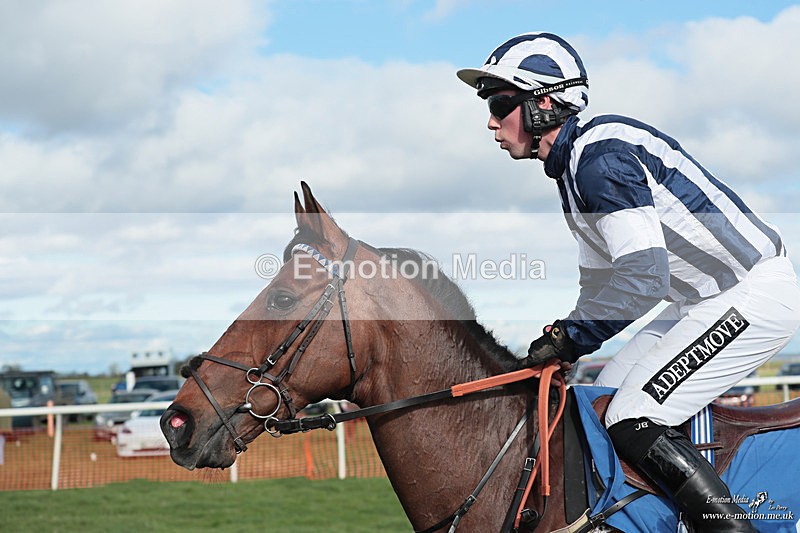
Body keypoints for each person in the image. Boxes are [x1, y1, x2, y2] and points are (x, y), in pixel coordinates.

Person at [457, 32, 800, 532]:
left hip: (749, 296)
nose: (491, 120)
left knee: (632, 415)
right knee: (601, 401)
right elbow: (600, 286)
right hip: (699, 303)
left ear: (543, 104)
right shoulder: (572, 169)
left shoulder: (598, 160)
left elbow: (641, 279)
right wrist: (561, 348)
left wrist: (568, 338)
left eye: (499, 102)